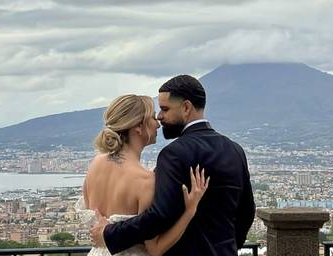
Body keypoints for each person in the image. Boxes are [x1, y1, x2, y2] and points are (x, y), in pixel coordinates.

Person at [91, 75, 255, 256]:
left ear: (186, 107)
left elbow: (159, 215)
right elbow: (247, 211)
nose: (160, 117)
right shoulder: (235, 150)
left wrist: (109, 233)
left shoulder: (174, 153)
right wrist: (228, 246)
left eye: (164, 109)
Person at [80, 94, 209, 256]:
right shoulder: (145, 181)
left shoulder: (96, 164)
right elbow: (155, 249)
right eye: (153, 117)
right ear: (138, 127)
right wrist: (190, 211)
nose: (158, 124)